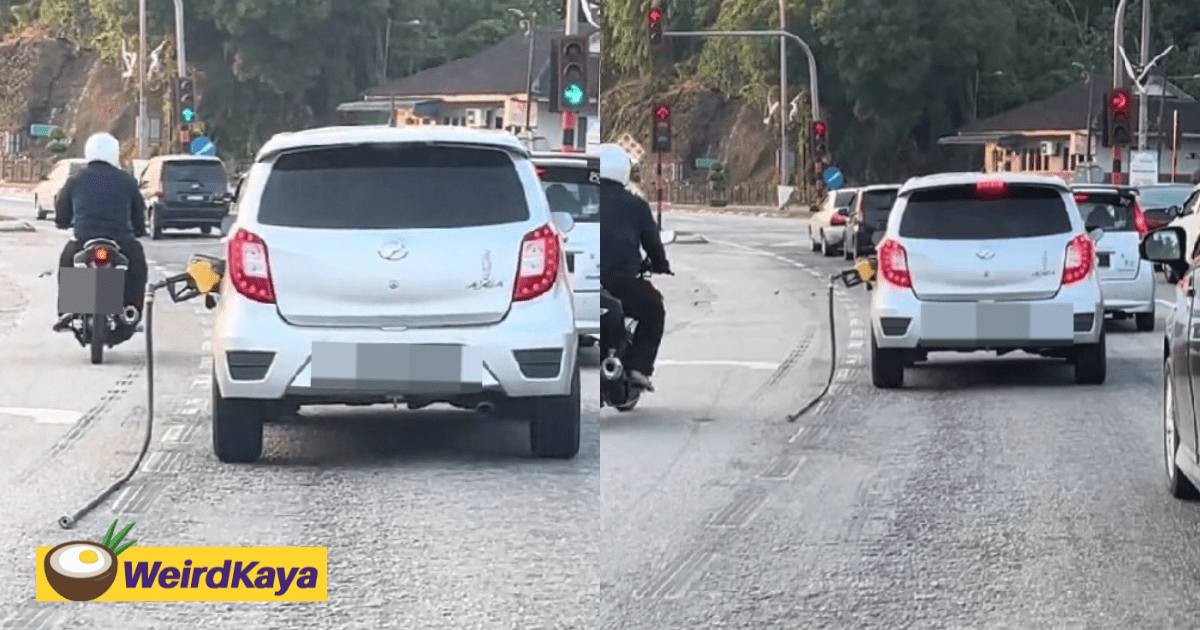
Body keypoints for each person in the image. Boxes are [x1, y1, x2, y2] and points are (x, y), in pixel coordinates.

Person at [53, 132, 148, 344]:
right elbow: (138, 214)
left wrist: (62, 222)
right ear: (115, 153)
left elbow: (62, 213)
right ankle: (131, 309)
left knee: (67, 261)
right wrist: (139, 230)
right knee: (137, 266)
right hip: (121, 241)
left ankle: (68, 310)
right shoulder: (127, 180)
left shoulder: (75, 179)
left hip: (83, 239)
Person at [597, 142, 670, 392]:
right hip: (622, 283)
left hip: (584, 284)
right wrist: (661, 264)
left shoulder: (584, 196)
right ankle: (639, 367)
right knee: (654, 310)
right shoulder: (635, 204)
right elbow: (652, 241)